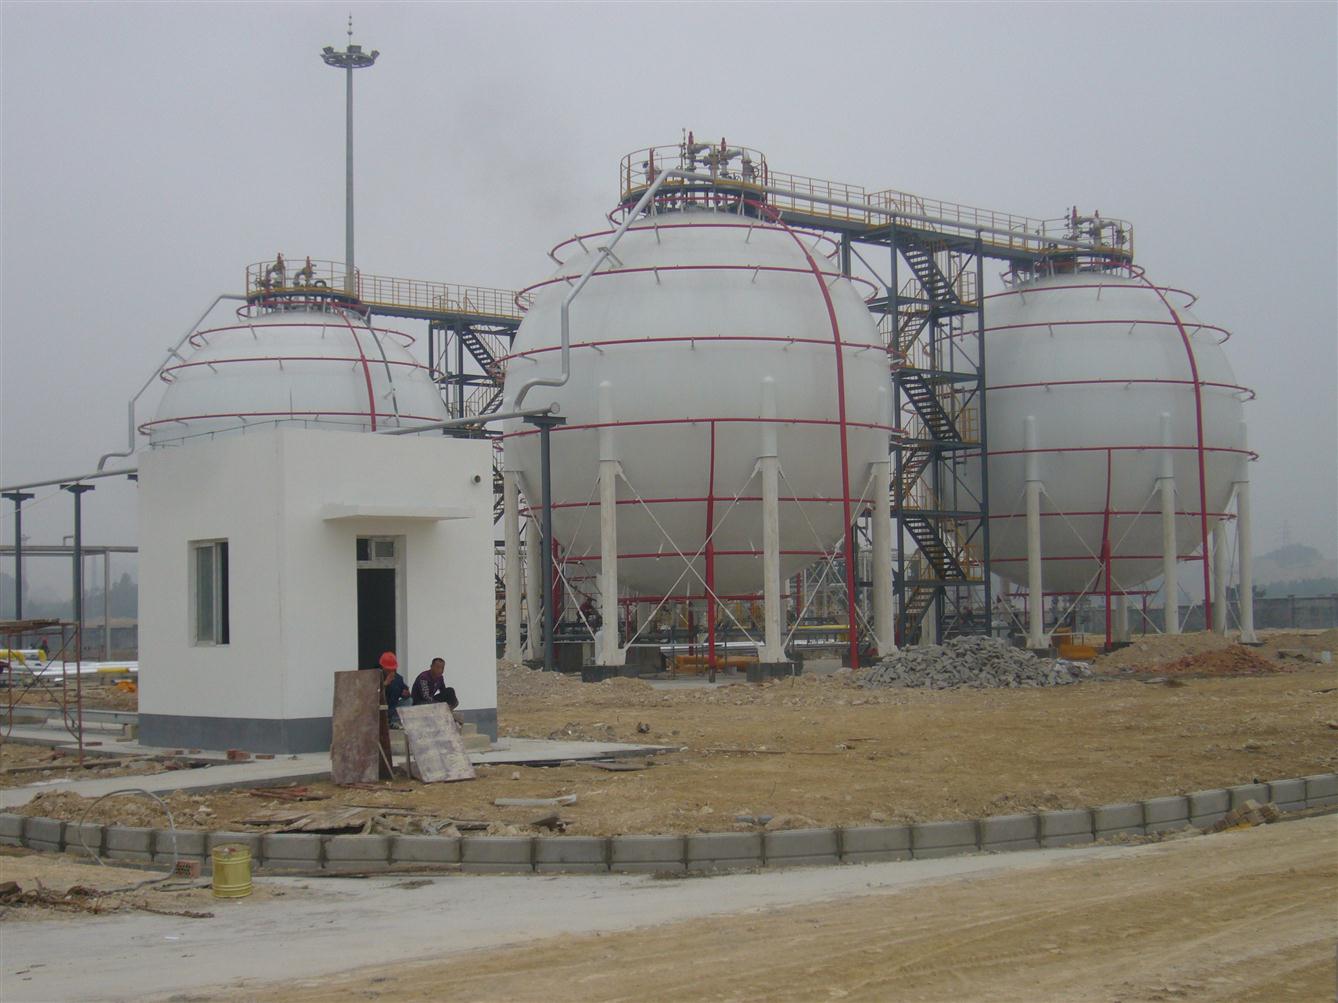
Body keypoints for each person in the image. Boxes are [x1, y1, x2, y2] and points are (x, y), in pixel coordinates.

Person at [411, 657, 461, 721]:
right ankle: (444, 711)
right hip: (420, 703)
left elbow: (443, 691)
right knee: (435, 704)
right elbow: (425, 696)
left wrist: (450, 702)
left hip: (432, 701)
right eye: (437, 667)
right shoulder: (423, 677)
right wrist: (440, 705)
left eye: (442, 668)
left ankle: (448, 710)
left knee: (450, 690)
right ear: (431, 667)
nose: (440, 670)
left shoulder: (440, 677)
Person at [379, 651, 408, 728]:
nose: (391, 672)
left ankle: (394, 721)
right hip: (380, 708)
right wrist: (385, 684)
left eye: (393, 669)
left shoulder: (398, 678)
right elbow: (373, 695)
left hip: (393, 708)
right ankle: (387, 722)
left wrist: (406, 693)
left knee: (409, 701)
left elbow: (404, 691)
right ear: (383, 667)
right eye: (388, 670)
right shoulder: (376, 676)